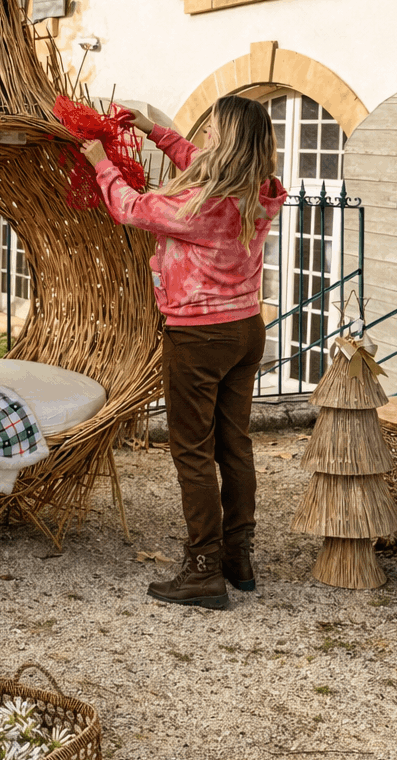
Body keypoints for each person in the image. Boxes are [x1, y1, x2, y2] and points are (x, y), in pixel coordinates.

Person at [82, 96, 286, 610]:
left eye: (213, 129)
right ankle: (237, 558)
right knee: (233, 445)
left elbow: (129, 208)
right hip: (245, 330)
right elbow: (200, 163)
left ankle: (202, 570)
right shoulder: (258, 190)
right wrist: (154, 130)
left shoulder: (202, 205)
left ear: (228, 140)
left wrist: (99, 163)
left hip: (199, 337)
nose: (207, 136)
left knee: (192, 451)